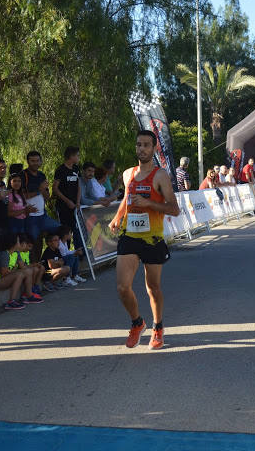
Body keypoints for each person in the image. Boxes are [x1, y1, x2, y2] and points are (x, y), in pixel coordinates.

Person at [109, 130, 180, 349]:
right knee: (122, 287)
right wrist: (117, 217)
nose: (142, 149)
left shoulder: (160, 176)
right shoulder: (127, 173)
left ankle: (158, 327)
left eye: (146, 145)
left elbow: (174, 209)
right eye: (139, 145)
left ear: (154, 148)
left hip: (152, 239)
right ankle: (137, 323)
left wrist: (150, 204)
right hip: (129, 236)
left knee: (153, 288)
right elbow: (128, 200)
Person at [22, 151, 60, 260]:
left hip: (43, 215)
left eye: (37, 161)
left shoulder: (42, 175)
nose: (35, 163)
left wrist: (43, 191)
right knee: (33, 243)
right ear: (28, 161)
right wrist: (39, 189)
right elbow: (22, 196)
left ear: (41, 161)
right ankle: (32, 269)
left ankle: (49, 259)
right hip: (30, 217)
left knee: (60, 229)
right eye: (32, 161)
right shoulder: (23, 175)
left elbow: (47, 197)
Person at [0, 233, 35, 310]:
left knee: (26, 271)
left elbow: (23, 267)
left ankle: (29, 296)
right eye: (17, 241)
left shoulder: (16, 253)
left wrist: (28, 269)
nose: (19, 243)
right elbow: (4, 274)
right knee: (19, 274)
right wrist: (16, 271)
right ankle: (11, 302)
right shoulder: (4, 254)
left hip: (5, 278)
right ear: (12, 243)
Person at [53, 146, 85, 254]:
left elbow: (79, 186)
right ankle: (64, 255)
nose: (79, 157)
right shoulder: (60, 170)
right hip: (63, 207)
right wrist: (67, 201)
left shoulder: (76, 169)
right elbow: (55, 189)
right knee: (65, 232)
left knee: (77, 230)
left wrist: (78, 202)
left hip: (75, 206)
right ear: (71, 156)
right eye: (77, 155)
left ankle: (80, 253)